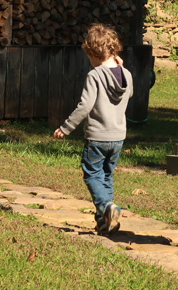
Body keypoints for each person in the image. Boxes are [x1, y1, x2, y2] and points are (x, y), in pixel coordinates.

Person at [53, 24, 134, 234]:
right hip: (118, 137)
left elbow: (85, 106)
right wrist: (121, 67)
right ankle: (104, 221)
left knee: (91, 175)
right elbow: (129, 94)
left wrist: (66, 127)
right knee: (106, 176)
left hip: (98, 136)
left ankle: (107, 208)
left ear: (94, 53)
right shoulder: (126, 74)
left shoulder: (95, 75)